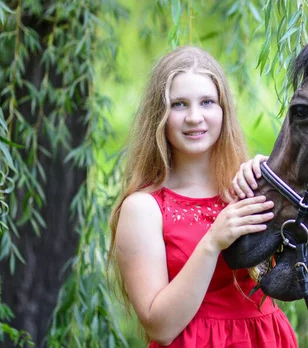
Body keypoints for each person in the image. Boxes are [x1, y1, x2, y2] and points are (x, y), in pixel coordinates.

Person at [107, 46, 297, 347]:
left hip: (265, 338)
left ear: (223, 111)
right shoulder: (144, 208)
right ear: (160, 115)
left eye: (207, 102)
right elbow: (160, 327)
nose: (194, 117)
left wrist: (277, 184)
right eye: (179, 104)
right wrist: (212, 242)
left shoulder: (246, 187)